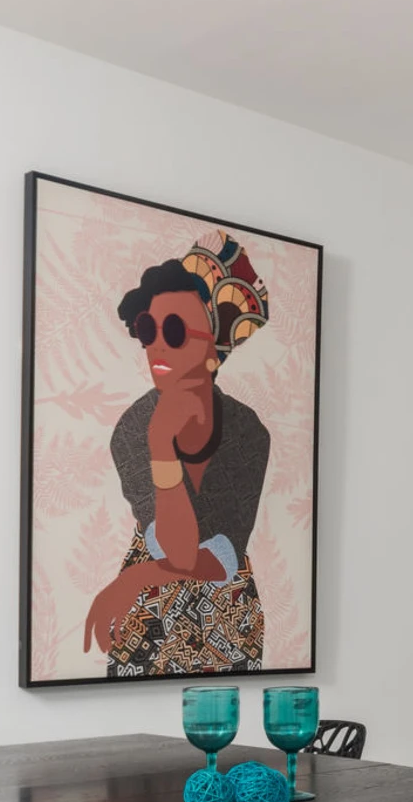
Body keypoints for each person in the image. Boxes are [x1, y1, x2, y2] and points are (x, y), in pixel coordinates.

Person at [83, 230, 273, 675]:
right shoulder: (133, 429)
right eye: (147, 331)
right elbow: (174, 549)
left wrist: (137, 576)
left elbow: (214, 560)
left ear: (213, 346)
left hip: (227, 619)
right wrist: (160, 445)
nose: (157, 346)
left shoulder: (247, 432)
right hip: (150, 621)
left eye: (173, 330)